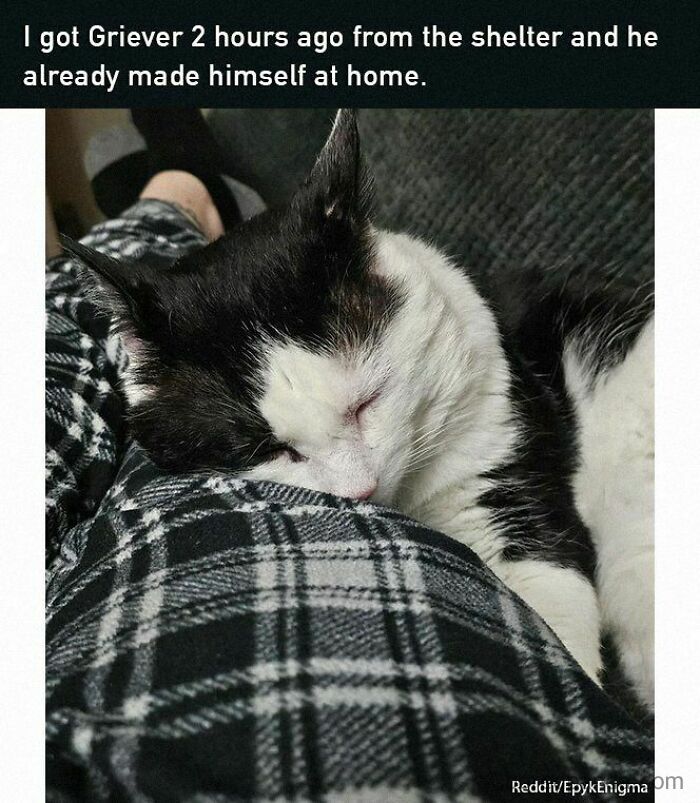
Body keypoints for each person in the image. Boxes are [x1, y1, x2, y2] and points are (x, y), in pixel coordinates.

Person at [46, 147, 653, 801]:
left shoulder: (451, 340)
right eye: (284, 450)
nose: (357, 483)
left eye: (364, 406)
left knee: (51, 333)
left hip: (610, 367)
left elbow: (540, 556)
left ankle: (171, 207)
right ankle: (180, 203)